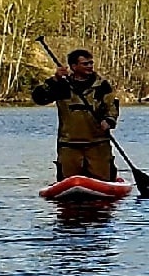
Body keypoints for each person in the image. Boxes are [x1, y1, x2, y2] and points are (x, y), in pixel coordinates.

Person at [33, 48, 122, 184]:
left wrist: (109, 120)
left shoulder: (102, 85)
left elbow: (112, 106)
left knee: (104, 178)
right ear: (74, 66)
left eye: (91, 63)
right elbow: (39, 98)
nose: (90, 66)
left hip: (97, 143)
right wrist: (54, 79)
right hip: (69, 144)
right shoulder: (61, 85)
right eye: (85, 64)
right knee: (67, 179)